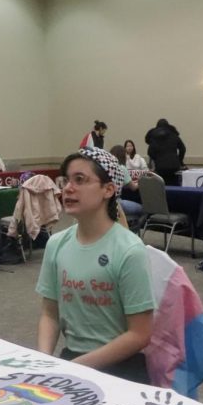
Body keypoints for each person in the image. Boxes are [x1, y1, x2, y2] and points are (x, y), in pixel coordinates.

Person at [36, 147, 155, 383]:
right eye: (66, 180)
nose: (68, 188)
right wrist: (43, 362)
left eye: (80, 180)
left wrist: (76, 368)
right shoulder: (57, 244)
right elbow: (50, 314)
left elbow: (139, 334)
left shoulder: (129, 250)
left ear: (108, 189)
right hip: (72, 360)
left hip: (122, 370)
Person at [109, 144, 143, 226]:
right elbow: (133, 188)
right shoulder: (122, 168)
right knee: (143, 209)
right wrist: (141, 181)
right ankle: (133, 228)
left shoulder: (107, 167)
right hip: (118, 203)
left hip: (107, 204)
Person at [144, 118, 186, 185]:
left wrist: (157, 159)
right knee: (174, 186)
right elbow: (183, 149)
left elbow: (150, 152)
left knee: (161, 187)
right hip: (174, 166)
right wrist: (180, 161)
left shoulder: (153, 136)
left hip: (160, 167)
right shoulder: (173, 134)